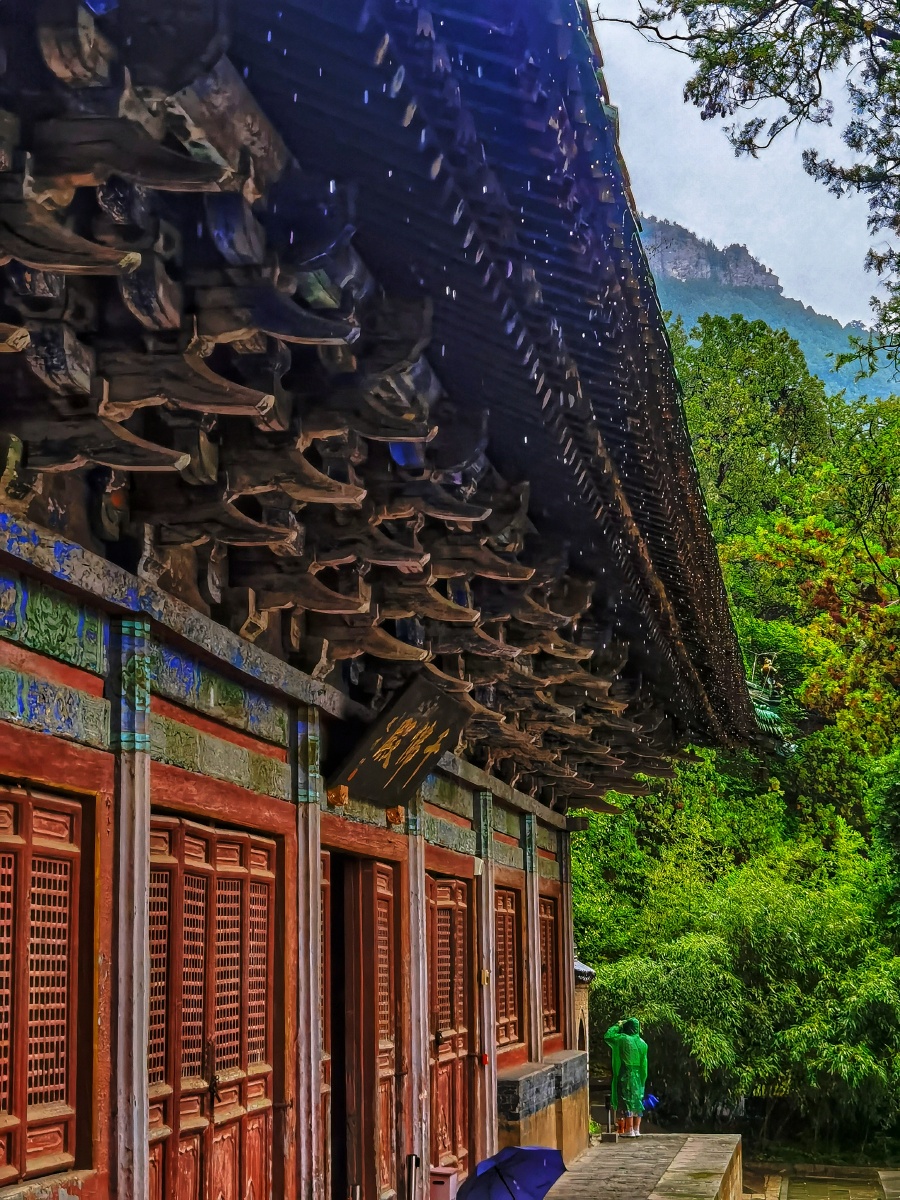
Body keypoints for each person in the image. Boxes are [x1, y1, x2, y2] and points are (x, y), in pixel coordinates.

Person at [604, 1017, 648, 1137]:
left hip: (626, 1073)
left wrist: (618, 1025)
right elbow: (644, 1065)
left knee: (627, 1100)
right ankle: (637, 1129)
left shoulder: (623, 1039)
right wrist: (643, 1080)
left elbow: (608, 1036)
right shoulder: (643, 1044)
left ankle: (629, 1129)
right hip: (638, 1075)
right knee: (637, 1100)